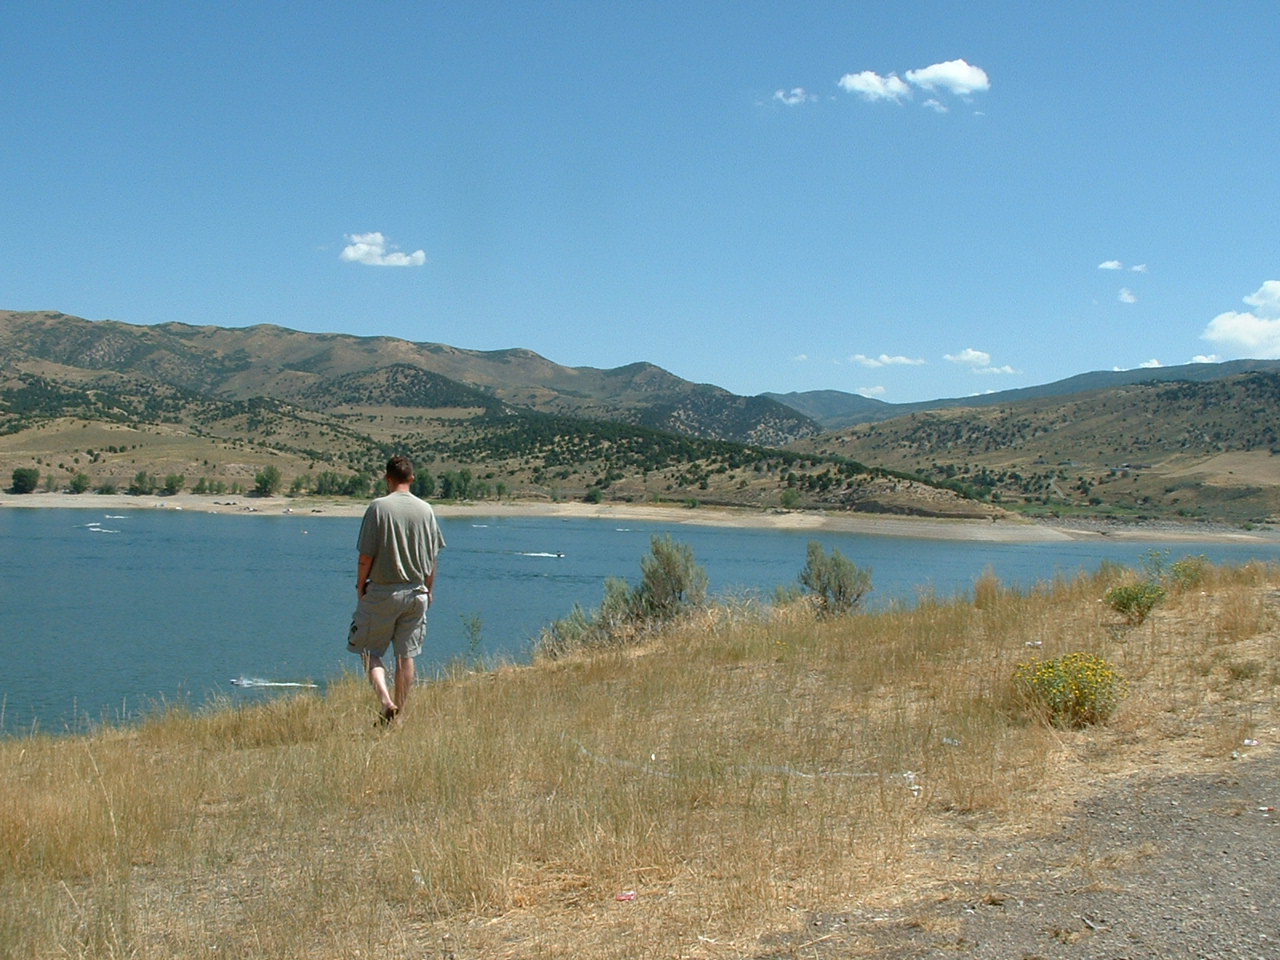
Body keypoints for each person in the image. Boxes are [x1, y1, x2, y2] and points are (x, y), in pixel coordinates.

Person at [347, 455, 445, 725]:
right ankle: (399, 714)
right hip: (416, 593)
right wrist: (429, 589)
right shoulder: (426, 510)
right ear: (412, 478)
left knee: (369, 651)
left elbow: (366, 557)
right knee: (406, 655)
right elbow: (432, 558)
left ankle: (386, 701)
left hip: (383, 592)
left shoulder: (378, 508)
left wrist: (360, 587)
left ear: (387, 478)